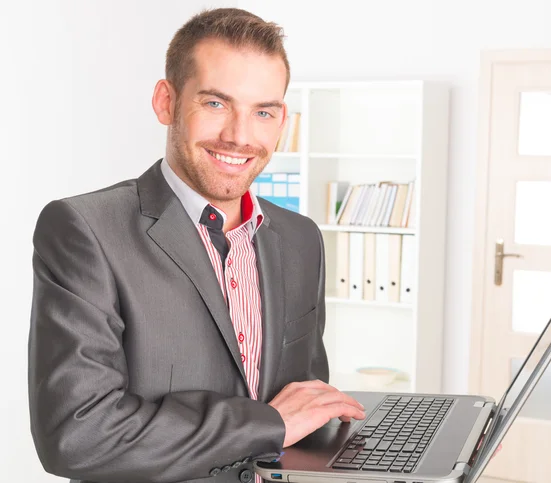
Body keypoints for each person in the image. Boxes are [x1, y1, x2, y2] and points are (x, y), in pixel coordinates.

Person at [28, 8, 366, 483]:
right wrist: (268, 424)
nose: (240, 137)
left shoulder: (301, 238)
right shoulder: (85, 229)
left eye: (263, 112)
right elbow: (78, 437)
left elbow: (305, 406)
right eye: (215, 104)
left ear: (282, 119)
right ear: (166, 102)